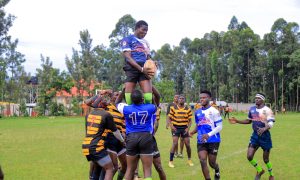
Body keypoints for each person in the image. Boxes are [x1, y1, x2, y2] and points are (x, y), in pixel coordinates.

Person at [229, 93, 275, 180]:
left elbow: (271, 123)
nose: (256, 99)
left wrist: (264, 128)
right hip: (255, 136)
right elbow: (248, 121)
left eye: (258, 98)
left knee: (266, 159)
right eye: (255, 98)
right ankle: (260, 170)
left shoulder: (267, 110)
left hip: (265, 137)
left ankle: (271, 174)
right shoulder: (252, 109)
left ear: (263, 100)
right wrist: (237, 121)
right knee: (249, 156)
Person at [82, 93, 125, 180]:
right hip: (97, 146)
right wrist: (122, 141)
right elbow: (116, 132)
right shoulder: (106, 114)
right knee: (110, 168)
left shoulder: (90, 114)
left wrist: (99, 95)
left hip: (86, 146)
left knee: (97, 170)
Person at [117, 89, 157, 180]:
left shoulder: (126, 109)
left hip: (131, 137)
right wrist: (151, 97)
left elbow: (117, 102)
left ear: (131, 99)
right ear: (142, 99)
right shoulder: (149, 107)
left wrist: (124, 91)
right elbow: (155, 105)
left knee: (130, 169)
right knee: (147, 170)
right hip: (146, 137)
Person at [189, 90, 223, 180]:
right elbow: (198, 125)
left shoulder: (214, 111)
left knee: (212, 163)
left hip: (214, 140)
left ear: (209, 98)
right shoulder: (197, 112)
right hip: (201, 140)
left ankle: (217, 169)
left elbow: (220, 127)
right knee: (202, 160)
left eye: (204, 98)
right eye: (200, 98)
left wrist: (209, 134)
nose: (202, 99)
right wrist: (192, 132)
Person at [120, 20, 153, 105]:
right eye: (143, 29)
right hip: (132, 68)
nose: (145, 32)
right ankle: (131, 115)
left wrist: (153, 63)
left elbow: (148, 58)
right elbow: (128, 58)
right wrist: (141, 69)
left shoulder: (146, 42)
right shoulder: (127, 40)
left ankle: (145, 113)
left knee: (148, 97)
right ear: (137, 28)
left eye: (146, 31)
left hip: (144, 69)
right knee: (129, 99)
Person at [105, 91, 127, 180]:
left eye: (119, 95)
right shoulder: (107, 107)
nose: (119, 96)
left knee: (125, 165)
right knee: (114, 167)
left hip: (120, 139)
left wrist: (124, 135)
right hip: (109, 137)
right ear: (111, 97)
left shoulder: (122, 109)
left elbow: (123, 124)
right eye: (116, 94)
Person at [168, 95, 194, 168]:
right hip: (176, 128)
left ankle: (189, 160)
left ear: (184, 100)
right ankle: (170, 161)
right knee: (175, 143)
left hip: (184, 128)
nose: (181, 100)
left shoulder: (188, 109)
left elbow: (190, 121)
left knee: (188, 144)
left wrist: (188, 129)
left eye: (183, 99)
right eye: (180, 98)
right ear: (178, 100)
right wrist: (171, 126)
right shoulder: (173, 108)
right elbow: (169, 118)